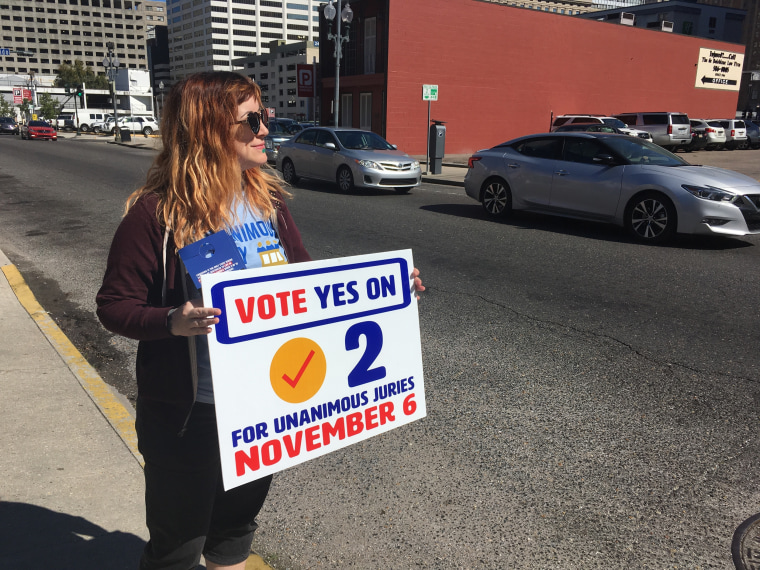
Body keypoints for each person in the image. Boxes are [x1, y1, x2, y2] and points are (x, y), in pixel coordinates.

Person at [96, 71, 423, 570]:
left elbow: (308, 287)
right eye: (252, 119)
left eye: (264, 115)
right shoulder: (156, 215)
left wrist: (389, 292)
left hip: (260, 409)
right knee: (178, 545)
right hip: (191, 414)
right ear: (208, 129)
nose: (266, 127)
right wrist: (170, 320)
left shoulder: (266, 204)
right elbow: (114, 305)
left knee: (233, 534)